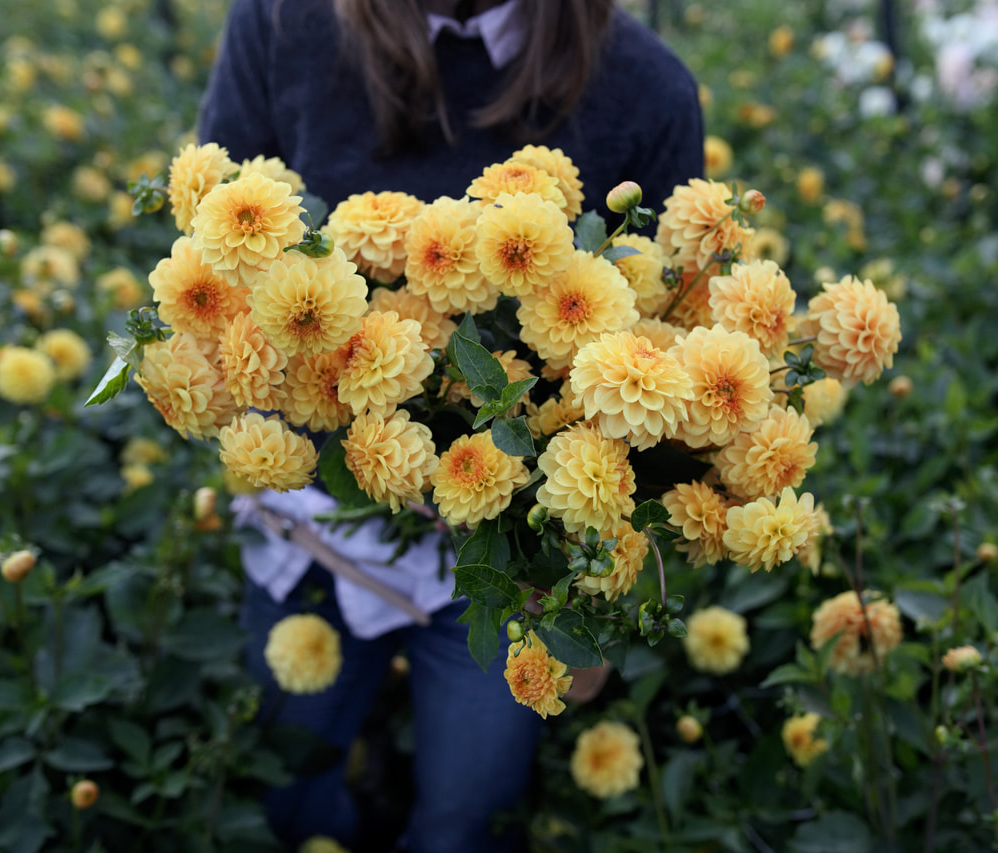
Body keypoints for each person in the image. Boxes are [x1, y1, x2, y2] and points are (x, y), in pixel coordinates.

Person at [197, 1, 705, 850]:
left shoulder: (644, 88)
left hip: (512, 562)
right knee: (285, 787)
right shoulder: (285, 23)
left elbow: (669, 365)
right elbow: (213, 254)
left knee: (468, 816)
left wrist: (594, 563)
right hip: (317, 514)